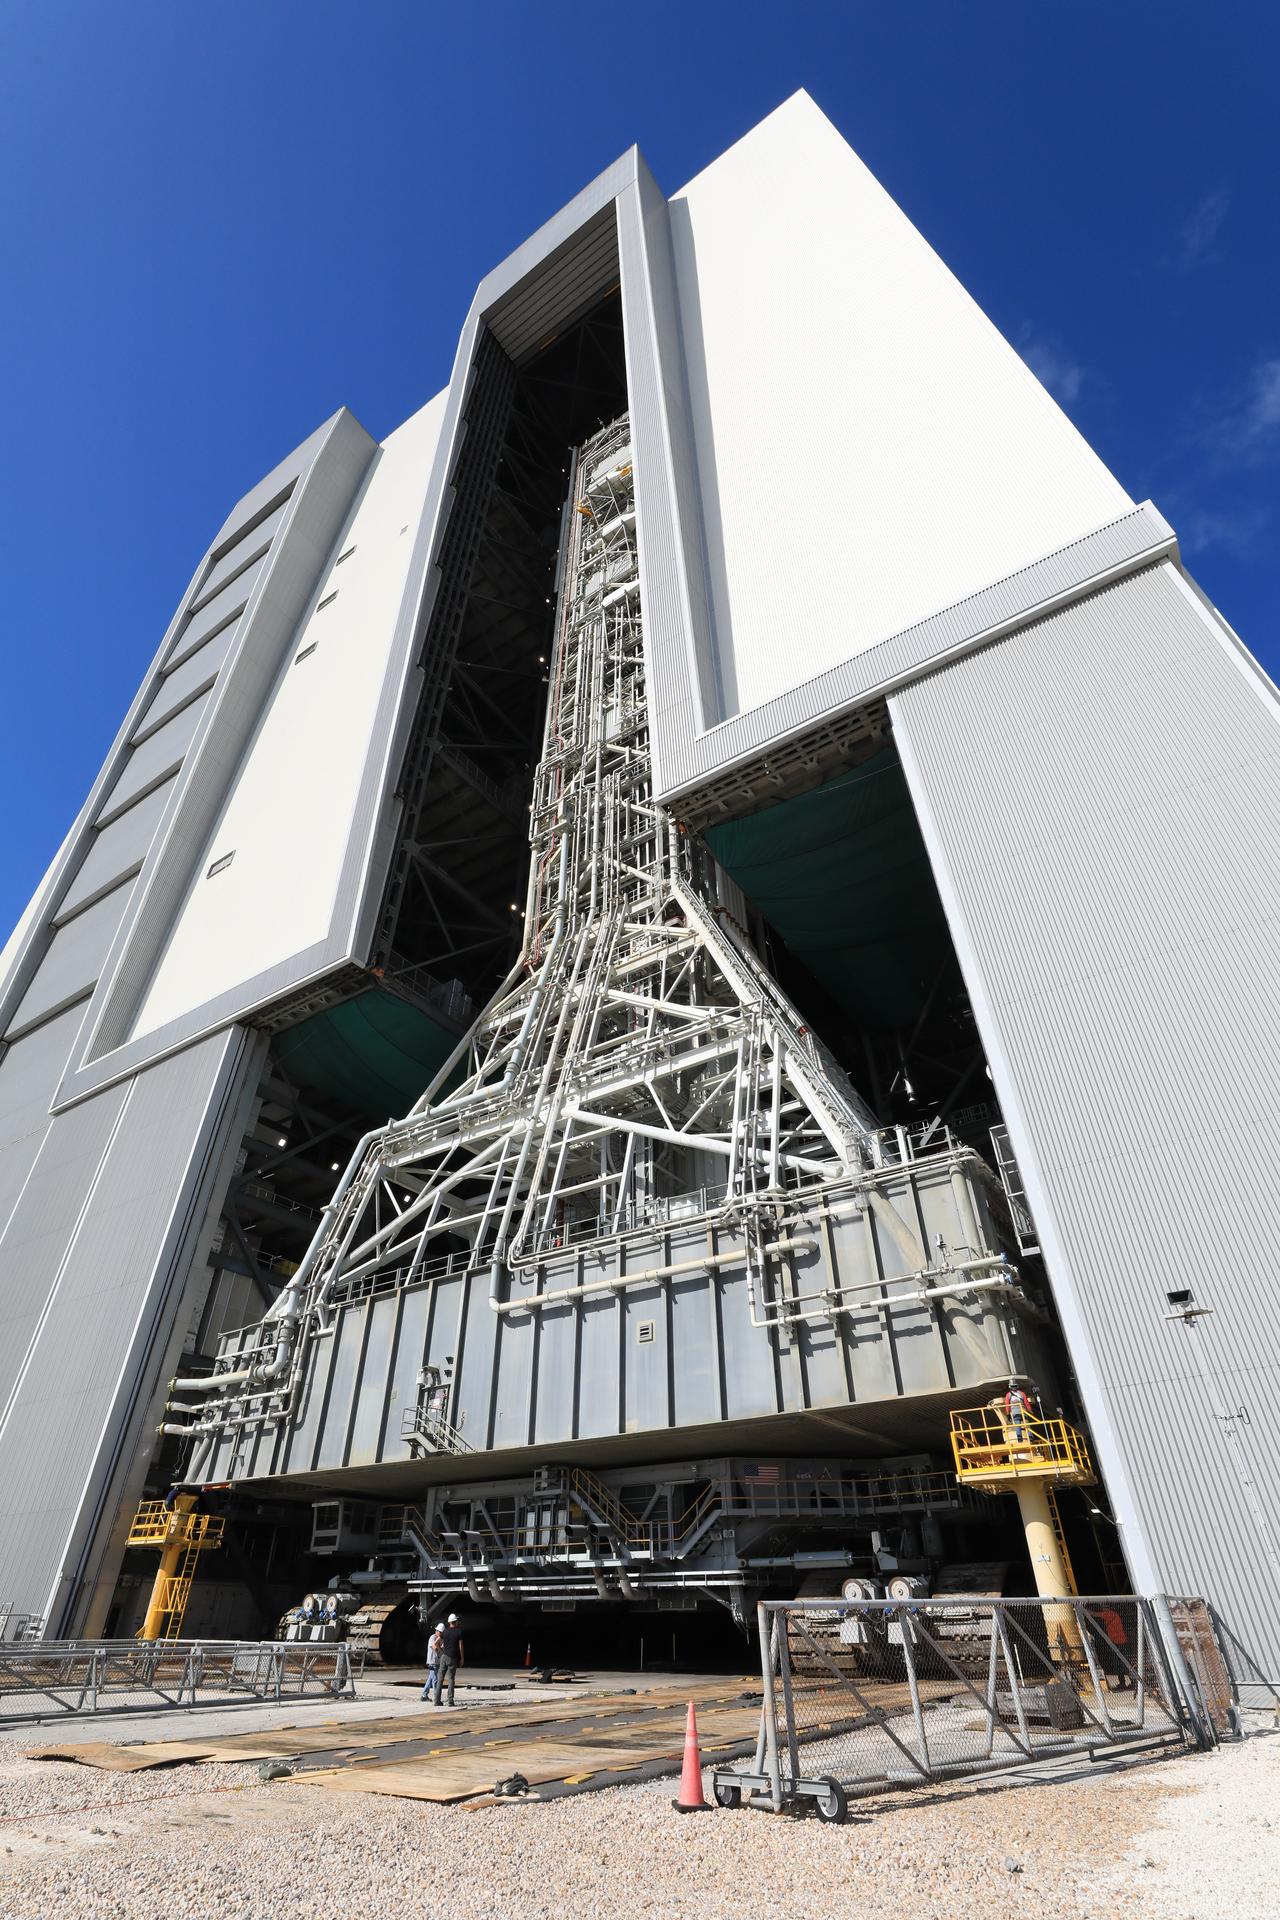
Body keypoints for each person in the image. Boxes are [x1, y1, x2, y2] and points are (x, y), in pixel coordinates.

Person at [435, 1612, 464, 1706]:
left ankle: (437, 1700)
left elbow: (436, 1642)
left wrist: (441, 1652)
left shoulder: (445, 1631)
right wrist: (462, 1658)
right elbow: (460, 1646)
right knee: (451, 1679)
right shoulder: (459, 1632)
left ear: (449, 1622)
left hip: (444, 1657)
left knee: (440, 1679)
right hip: (452, 1658)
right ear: (455, 1622)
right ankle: (450, 1701)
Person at [1004, 1379, 1036, 1444]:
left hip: (1015, 1413)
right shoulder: (1022, 1393)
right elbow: (1027, 1403)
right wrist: (1030, 1411)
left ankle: (1019, 1439)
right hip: (1024, 1412)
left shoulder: (1008, 1395)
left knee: (1017, 1426)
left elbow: (1007, 1405)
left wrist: (1008, 1414)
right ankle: (1030, 1437)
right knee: (1027, 1425)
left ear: (1010, 1387)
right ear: (1017, 1386)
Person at [421, 1621, 445, 1702]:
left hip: (437, 1662)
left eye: (442, 1633)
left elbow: (442, 1650)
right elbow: (434, 1648)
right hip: (432, 1661)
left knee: (431, 1679)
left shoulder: (441, 1639)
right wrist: (438, 1641)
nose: (441, 1634)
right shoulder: (433, 1637)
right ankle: (436, 1697)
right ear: (437, 1631)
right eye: (440, 1632)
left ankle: (424, 1695)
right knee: (435, 1679)